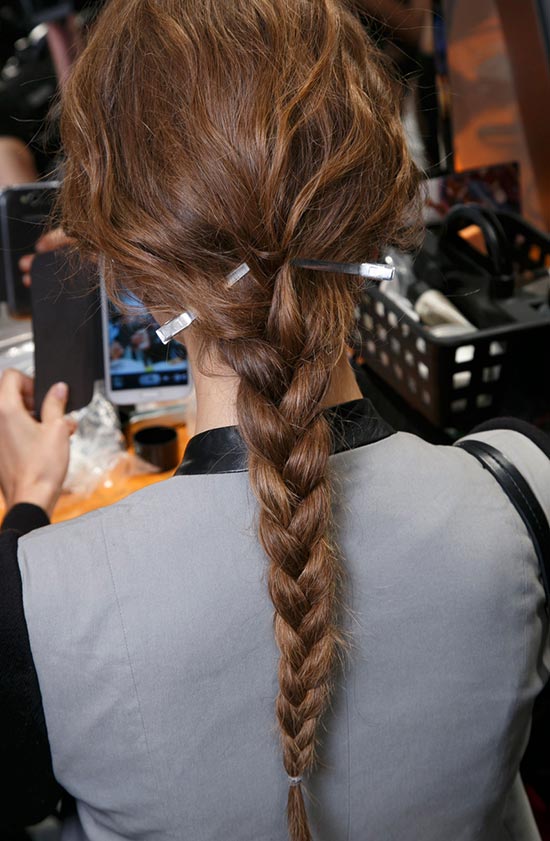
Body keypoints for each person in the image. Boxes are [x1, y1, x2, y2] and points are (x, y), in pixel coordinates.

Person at [0, 1, 549, 840]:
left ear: (125, 272)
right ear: (385, 214)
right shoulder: (527, 495)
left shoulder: (38, 605)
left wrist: (30, 507)